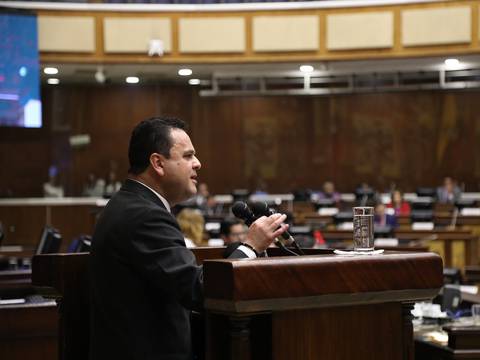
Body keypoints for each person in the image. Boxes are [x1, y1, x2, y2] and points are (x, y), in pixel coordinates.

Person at [89, 117, 288, 360]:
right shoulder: (144, 215)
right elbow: (199, 290)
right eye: (187, 156)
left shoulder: (131, 205)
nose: (198, 164)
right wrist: (251, 246)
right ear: (158, 163)